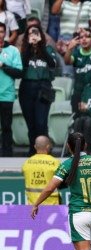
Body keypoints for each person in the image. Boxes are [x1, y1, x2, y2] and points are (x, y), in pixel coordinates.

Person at [19, 24, 58, 156]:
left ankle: (44, 152)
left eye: (36, 33)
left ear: (41, 35)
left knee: (41, 123)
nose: (33, 36)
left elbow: (52, 64)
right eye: (31, 34)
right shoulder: (24, 51)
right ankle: (32, 152)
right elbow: (21, 67)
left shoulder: (48, 49)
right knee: (31, 125)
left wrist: (41, 46)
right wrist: (30, 48)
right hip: (27, 87)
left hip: (44, 87)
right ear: (27, 37)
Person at [64, 28, 91, 114]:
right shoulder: (76, 53)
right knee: (77, 121)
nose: (84, 39)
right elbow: (67, 61)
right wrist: (69, 49)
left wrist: (89, 33)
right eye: (81, 37)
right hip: (78, 92)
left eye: (87, 37)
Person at [0, 21, 22, 157]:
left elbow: (19, 72)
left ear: (5, 33)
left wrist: (3, 65)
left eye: (1, 31)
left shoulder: (13, 50)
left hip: (6, 95)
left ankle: (7, 155)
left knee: (6, 127)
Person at [22, 136, 61, 205]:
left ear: (35, 146)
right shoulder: (55, 162)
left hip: (32, 207)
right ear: (48, 146)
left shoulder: (27, 163)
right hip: (52, 206)